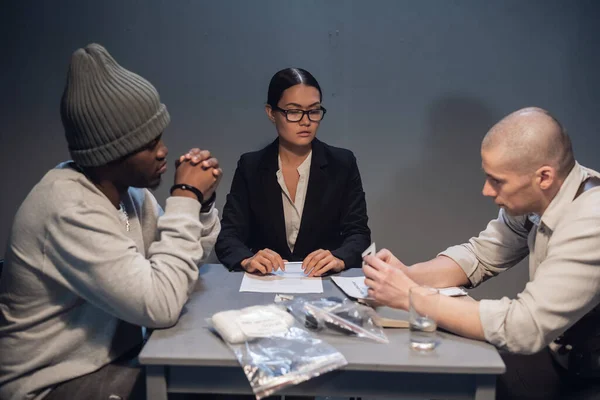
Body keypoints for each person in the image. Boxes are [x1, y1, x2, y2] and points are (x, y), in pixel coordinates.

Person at [0, 44, 222, 400]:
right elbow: (161, 306)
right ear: (110, 153)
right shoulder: (68, 207)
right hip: (51, 383)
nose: (163, 150)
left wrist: (201, 204)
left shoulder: (130, 194)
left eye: (160, 138)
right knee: (214, 388)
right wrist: (184, 195)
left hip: (117, 361)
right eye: (149, 144)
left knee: (224, 378)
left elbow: (183, 263)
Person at [363, 107, 600, 399]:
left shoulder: (592, 219)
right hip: (558, 357)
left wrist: (412, 297)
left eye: (497, 181)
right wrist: (405, 276)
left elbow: (524, 327)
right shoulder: (540, 198)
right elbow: (481, 255)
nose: (487, 190)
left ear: (544, 177)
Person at [215, 68, 370, 276]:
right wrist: (247, 259)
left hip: (323, 283)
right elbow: (228, 235)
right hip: (266, 283)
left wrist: (339, 258)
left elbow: (359, 234)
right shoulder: (250, 166)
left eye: (314, 111)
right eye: (294, 111)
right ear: (271, 113)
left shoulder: (342, 163)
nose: (306, 121)